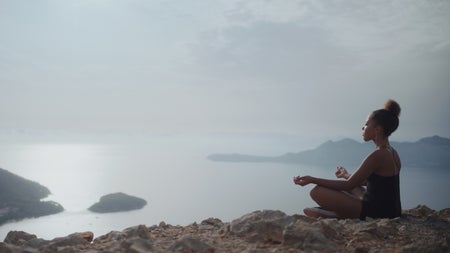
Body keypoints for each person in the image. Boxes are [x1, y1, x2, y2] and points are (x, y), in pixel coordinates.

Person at [293, 99, 402, 220]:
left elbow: (347, 185)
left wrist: (312, 179)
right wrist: (346, 175)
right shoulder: (392, 152)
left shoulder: (378, 155)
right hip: (391, 210)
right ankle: (335, 213)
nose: (363, 127)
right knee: (353, 187)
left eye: (366, 124)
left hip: (378, 213)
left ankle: (338, 215)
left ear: (378, 129)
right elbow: (373, 183)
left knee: (317, 191)